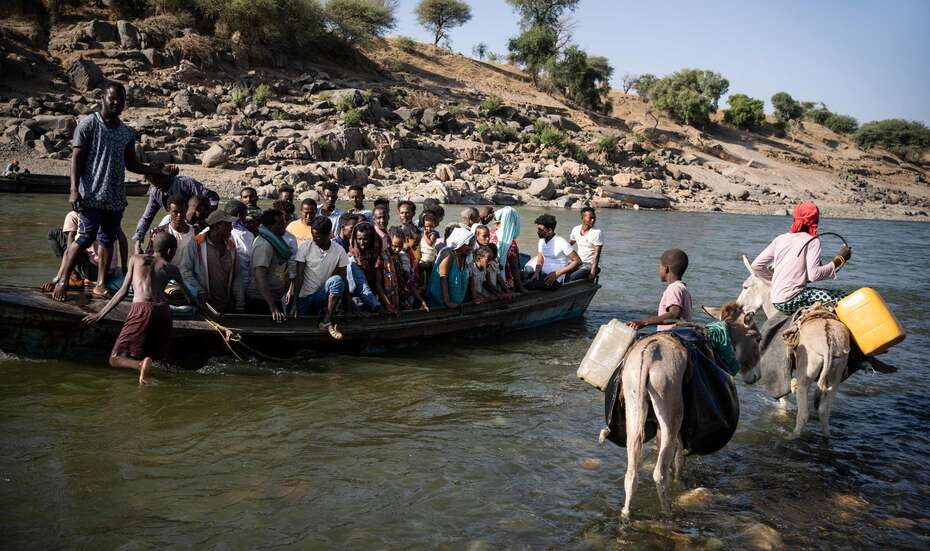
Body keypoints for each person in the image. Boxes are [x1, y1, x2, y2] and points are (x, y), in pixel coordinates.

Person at [45, 81, 171, 302]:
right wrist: (73, 190)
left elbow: (132, 164)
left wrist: (155, 170)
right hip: (91, 194)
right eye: (113, 99)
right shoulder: (88, 125)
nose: (117, 103)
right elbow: (76, 159)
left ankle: (101, 284)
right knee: (85, 237)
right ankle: (63, 279)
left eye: (121, 100)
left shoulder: (126, 133)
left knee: (107, 239)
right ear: (102, 98)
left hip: (114, 197)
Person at [82, 233, 201, 384]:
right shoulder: (171, 268)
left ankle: (140, 365)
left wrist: (99, 314)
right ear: (170, 251)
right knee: (159, 359)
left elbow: (122, 292)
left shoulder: (135, 259)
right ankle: (159, 379)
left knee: (115, 359)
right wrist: (213, 315)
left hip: (142, 309)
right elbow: (191, 299)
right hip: (163, 311)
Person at [750, 201, 851, 314]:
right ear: (815, 221)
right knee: (844, 297)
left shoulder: (780, 239)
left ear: (795, 218)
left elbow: (756, 265)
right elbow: (814, 275)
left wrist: (773, 283)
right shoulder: (812, 241)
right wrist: (840, 259)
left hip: (776, 300)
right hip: (793, 299)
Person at [132, 167, 218, 253]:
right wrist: (137, 244)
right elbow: (147, 218)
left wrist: (202, 218)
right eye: (153, 183)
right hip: (174, 223)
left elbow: (213, 199)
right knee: (158, 239)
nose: (157, 186)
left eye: (158, 180)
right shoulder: (155, 192)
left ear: (166, 176)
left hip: (196, 223)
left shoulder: (185, 183)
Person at [179, 210, 244, 314]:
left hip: (226, 305)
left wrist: (239, 303)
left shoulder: (231, 246)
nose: (231, 228)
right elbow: (185, 271)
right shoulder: (196, 244)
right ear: (217, 226)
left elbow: (237, 276)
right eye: (227, 225)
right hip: (204, 305)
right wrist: (200, 290)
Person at [292, 217, 347, 339]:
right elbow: (299, 276)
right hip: (304, 297)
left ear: (328, 234)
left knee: (337, 280)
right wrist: (294, 302)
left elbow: (343, 279)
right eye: (313, 235)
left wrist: (347, 304)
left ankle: (326, 320)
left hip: (321, 296)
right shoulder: (305, 247)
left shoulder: (339, 251)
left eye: (317, 236)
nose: (314, 239)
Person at [627, 249, 693, 331]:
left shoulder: (674, 289)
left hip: (671, 334)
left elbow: (674, 314)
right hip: (684, 334)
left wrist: (644, 322)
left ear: (666, 269)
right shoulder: (684, 289)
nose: (659, 270)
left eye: (660, 267)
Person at [246, 209, 292, 321]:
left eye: (284, 223)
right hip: (261, 301)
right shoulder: (264, 245)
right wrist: (273, 307)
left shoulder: (275, 242)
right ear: (270, 226)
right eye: (280, 224)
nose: (284, 226)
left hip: (272, 299)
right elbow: (260, 277)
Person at [525, 214, 581, 290]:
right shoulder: (541, 241)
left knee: (526, 285)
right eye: (538, 229)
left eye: (540, 230)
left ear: (550, 230)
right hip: (542, 274)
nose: (538, 232)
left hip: (554, 279)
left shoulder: (562, 242)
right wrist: (536, 272)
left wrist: (557, 273)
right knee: (522, 276)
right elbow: (540, 258)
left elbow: (577, 261)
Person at [348, 222, 390, 312]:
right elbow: (362, 286)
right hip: (357, 298)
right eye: (359, 239)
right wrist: (377, 306)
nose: (361, 242)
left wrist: (388, 304)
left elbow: (379, 283)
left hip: (375, 296)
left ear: (371, 239)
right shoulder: (352, 259)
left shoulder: (377, 257)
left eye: (365, 239)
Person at [428, 227, 473, 309]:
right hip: (438, 303)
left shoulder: (465, 257)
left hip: (456, 304)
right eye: (468, 245)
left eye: (472, 245)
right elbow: (443, 278)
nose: (471, 248)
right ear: (460, 243)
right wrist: (447, 301)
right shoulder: (448, 255)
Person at [147, 194, 195, 267]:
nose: (179, 215)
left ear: (186, 210)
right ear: (169, 210)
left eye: (182, 211)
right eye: (175, 212)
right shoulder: (158, 233)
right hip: (166, 272)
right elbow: (150, 257)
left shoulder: (195, 231)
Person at [388, 227, 428, 311]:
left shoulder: (399, 257)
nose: (397, 249)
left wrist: (421, 300)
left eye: (400, 246)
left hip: (401, 297)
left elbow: (408, 281)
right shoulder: (386, 259)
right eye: (395, 246)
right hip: (390, 300)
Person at [493, 206, 525, 293]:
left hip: (492, 280)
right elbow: (514, 268)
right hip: (505, 283)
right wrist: (521, 289)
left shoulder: (490, 234)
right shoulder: (510, 243)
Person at [225, 200, 254, 293]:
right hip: (243, 283)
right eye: (245, 215)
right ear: (239, 216)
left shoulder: (219, 230)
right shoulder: (247, 235)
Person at [568, 207, 603, 282]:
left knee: (572, 277)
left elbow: (597, 254)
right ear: (583, 218)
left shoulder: (597, 232)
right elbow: (569, 245)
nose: (593, 220)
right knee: (560, 271)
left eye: (594, 218)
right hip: (578, 262)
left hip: (590, 265)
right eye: (590, 218)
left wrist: (592, 272)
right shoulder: (576, 229)